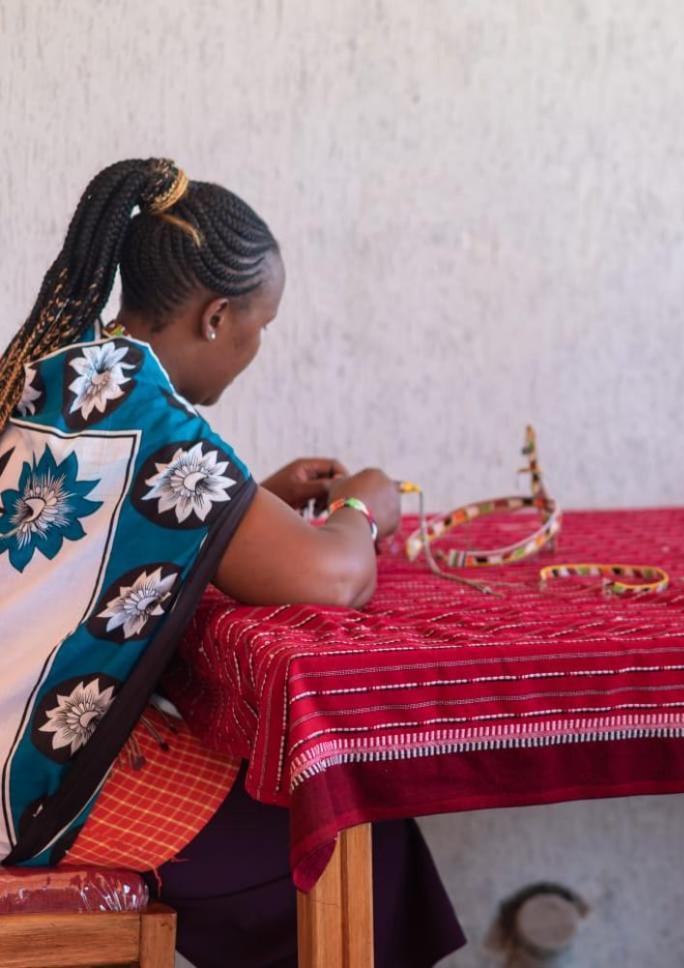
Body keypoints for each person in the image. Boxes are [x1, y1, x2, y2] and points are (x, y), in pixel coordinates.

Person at [0, 158, 464, 967]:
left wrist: (255, 502)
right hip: (25, 783)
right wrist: (364, 508)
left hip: (23, 731)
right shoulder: (147, 416)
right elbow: (335, 578)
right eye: (261, 325)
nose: (256, 345)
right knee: (348, 838)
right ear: (217, 317)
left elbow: (123, 526)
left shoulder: (75, 369)